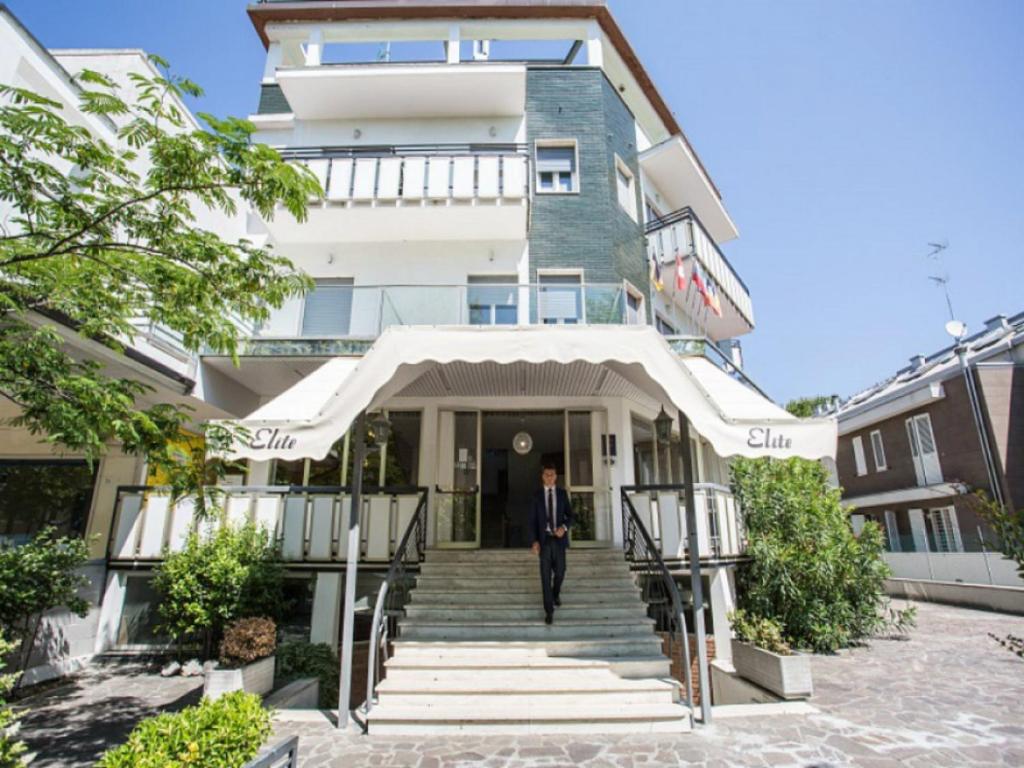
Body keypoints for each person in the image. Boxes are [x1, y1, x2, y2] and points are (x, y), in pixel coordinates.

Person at [529, 462, 573, 625]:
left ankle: (555, 594)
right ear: (543, 477)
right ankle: (549, 610)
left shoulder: (562, 494)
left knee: (561, 571)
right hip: (544, 540)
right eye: (546, 475)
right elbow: (532, 521)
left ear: (556, 477)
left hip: (559, 540)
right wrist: (534, 541)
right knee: (545, 576)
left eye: (552, 475)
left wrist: (564, 527)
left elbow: (571, 516)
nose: (549, 477)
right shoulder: (536, 495)